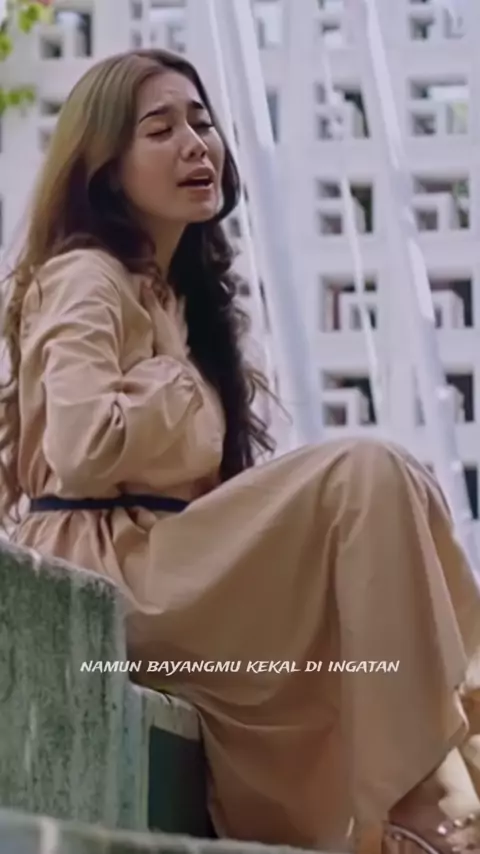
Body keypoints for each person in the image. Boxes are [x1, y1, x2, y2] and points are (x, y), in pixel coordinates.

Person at [1, 46, 480, 854]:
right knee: (364, 476)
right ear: (106, 168)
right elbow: (82, 448)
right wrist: (179, 384)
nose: (197, 144)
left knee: (394, 490)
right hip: (110, 574)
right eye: (161, 129)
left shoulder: (179, 298)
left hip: (172, 566)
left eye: (201, 122)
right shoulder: (86, 275)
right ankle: (421, 795)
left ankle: (447, 757)